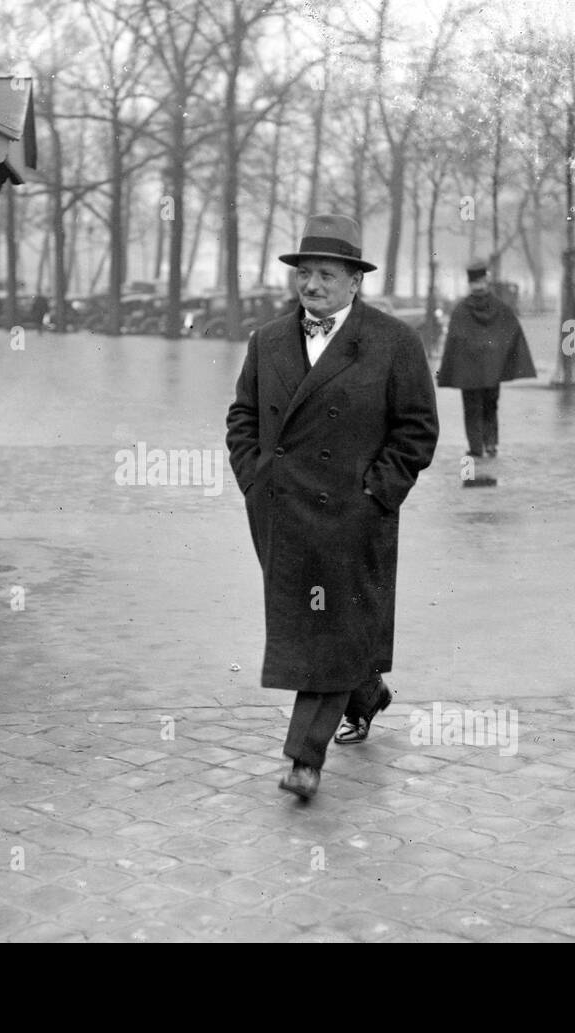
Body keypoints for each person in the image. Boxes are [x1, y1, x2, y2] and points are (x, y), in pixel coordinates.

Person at [226, 213, 439, 801]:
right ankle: (366, 693)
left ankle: (303, 760)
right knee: (328, 626)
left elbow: (417, 430)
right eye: (304, 274)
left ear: (354, 282)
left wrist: (377, 493)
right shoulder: (266, 340)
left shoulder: (393, 342)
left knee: (326, 628)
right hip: (281, 513)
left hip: (353, 515)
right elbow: (243, 415)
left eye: (325, 274)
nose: (312, 286)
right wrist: (255, 478)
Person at [436, 261, 536, 458]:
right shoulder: (500, 307)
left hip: (469, 372)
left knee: (472, 409)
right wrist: (497, 352)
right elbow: (512, 330)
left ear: (470, 283)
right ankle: (490, 444)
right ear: (486, 281)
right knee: (491, 406)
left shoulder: (461, 310)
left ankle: (476, 447)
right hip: (492, 369)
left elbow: (454, 339)